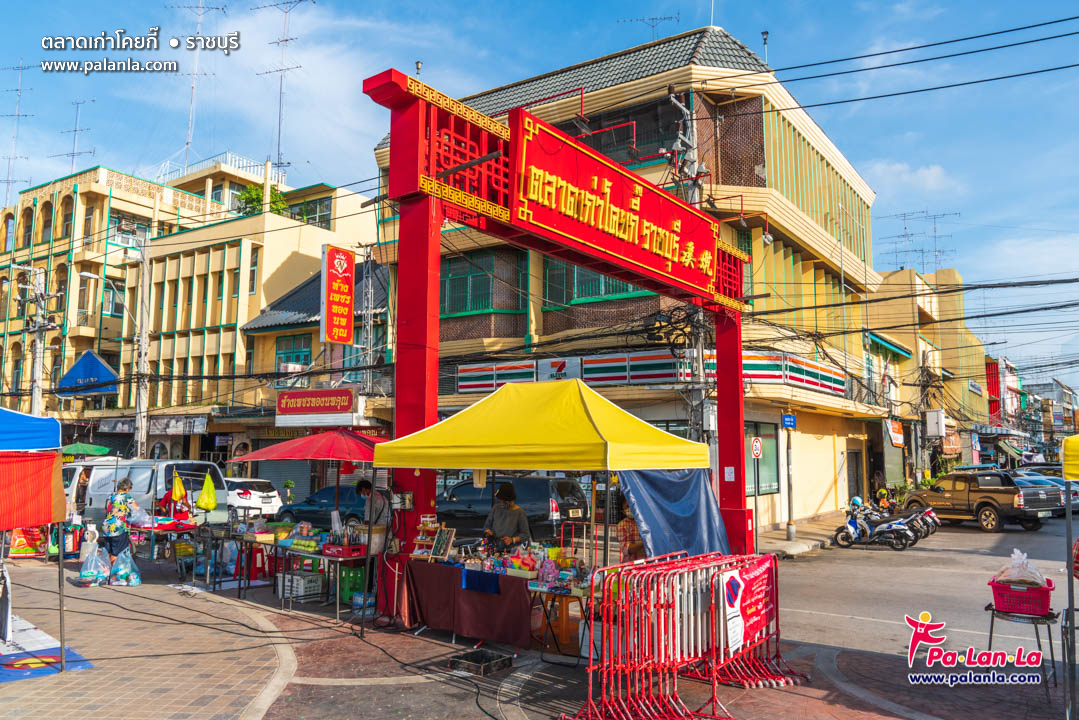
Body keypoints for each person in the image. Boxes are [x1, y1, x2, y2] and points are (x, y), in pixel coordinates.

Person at [101, 478, 141, 564]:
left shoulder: (111, 496)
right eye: (129, 489)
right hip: (118, 528)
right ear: (127, 488)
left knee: (109, 552)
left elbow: (107, 508)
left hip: (107, 527)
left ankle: (108, 569)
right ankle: (114, 571)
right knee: (116, 553)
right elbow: (136, 508)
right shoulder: (126, 496)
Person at [483, 483, 530, 551]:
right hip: (495, 547)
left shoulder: (519, 512)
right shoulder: (496, 508)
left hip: (511, 550)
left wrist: (512, 540)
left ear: (509, 501)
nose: (500, 502)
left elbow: (526, 534)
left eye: (503, 501)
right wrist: (488, 531)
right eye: (500, 500)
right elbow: (487, 526)